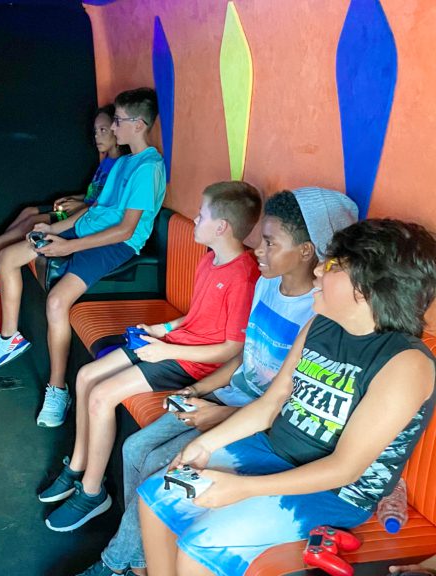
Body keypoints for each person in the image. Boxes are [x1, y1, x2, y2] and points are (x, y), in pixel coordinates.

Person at [76, 187, 359, 576]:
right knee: (135, 447)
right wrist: (198, 391)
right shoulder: (266, 283)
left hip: (249, 417)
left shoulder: (318, 312)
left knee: (160, 462)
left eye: (270, 242)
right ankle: (140, 559)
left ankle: (116, 562)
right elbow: (244, 357)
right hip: (227, 395)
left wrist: (217, 412)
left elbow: (285, 406)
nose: (257, 249)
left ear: (308, 251)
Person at [137, 218, 436, 576]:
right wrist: (206, 444)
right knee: (155, 499)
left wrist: (244, 489)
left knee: (200, 549)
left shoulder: (407, 363)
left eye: (335, 266)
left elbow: (345, 468)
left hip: (336, 492)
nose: (319, 273)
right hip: (272, 451)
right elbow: (270, 404)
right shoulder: (320, 323)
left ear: (369, 288)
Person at [40, 181, 262, 532]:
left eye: (201, 214)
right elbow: (194, 317)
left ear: (221, 227)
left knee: (101, 396)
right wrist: (162, 329)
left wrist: (167, 349)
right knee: (85, 377)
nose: (196, 218)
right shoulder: (209, 260)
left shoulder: (245, 274)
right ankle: (77, 466)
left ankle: (93, 491)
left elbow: (232, 349)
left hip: (195, 361)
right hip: (174, 344)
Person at [0, 87, 166, 426]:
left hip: (113, 245)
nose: (113, 128)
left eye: (119, 122)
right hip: (85, 231)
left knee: (56, 302)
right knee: (10, 256)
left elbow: (125, 230)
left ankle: (57, 389)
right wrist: (58, 232)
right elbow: (94, 209)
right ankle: (9, 339)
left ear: (138, 125)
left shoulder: (148, 168)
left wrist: (66, 247)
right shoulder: (123, 161)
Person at [0, 104, 128, 275]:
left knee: (32, 222)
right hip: (80, 206)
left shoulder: (121, 165)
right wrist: (76, 196)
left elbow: (105, 202)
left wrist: (80, 203)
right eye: (95, 131)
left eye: (103, 130)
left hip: (84, 214)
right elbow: (95, 191)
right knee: (28, 211)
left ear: (115, 130)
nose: (97, 136)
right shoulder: (105, 161)